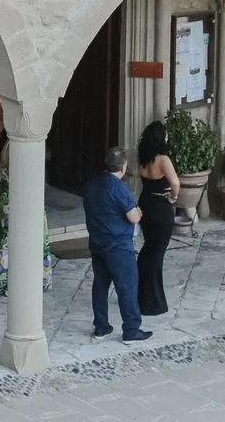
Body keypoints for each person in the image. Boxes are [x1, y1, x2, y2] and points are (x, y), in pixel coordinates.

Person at [81, 145, 152, 342]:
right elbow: (133, 217)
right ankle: (131, 329)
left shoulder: (91, 184)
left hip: (97, 243)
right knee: (127, 287)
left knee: (100, 286)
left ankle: (101, 327)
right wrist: (139, 212)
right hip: (118, 246)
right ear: (123, 166)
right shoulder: (119, 188)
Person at [135, 120, 183, 317]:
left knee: (149, 248)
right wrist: (173, 197)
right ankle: (151, 301)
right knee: (157, 253)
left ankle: (140, 293)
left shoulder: (143, 158)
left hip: (145, 203)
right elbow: (175, 183)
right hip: (160, 208)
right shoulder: (163, 160)